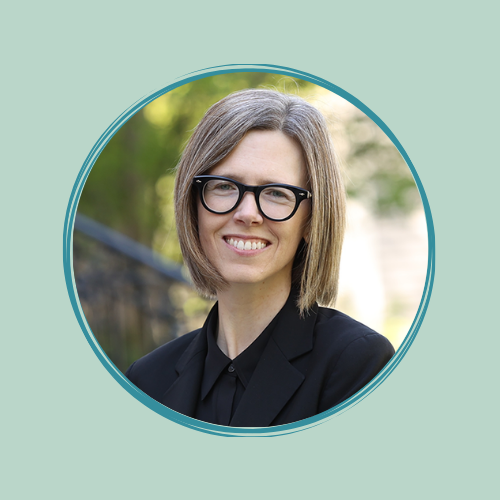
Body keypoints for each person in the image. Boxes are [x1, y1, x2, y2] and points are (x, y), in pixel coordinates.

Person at [126, 89, 395, 427]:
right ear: (193, 205)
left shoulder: (357, 364)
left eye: (276, 193)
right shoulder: (147, 380)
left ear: (311, 220)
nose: (247, 213)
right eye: (224, 186)